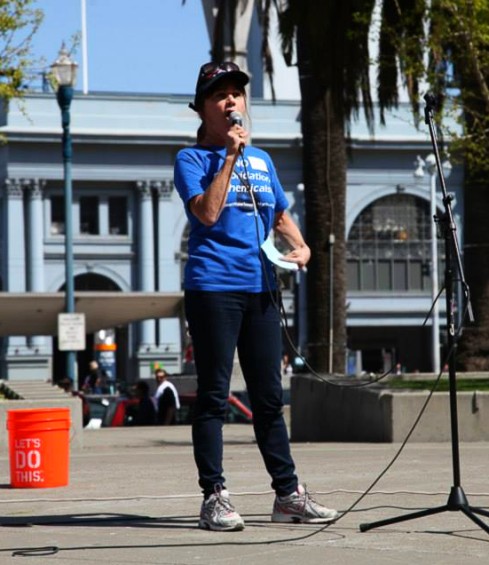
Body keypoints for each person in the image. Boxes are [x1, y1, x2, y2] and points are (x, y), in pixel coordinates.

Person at [173, 61, 339, 532]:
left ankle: (288, 495)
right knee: (212, 396)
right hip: (213, 289)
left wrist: (300, 245)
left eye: (236, 94)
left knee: (268, 397)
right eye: (219, 95)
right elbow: (206, 214)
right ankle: (214, 497)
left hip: (261, 288)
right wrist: (227, 157)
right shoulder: (191, 160)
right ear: (202, 110)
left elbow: (278, 213)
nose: (231, 102)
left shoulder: (262, 161)